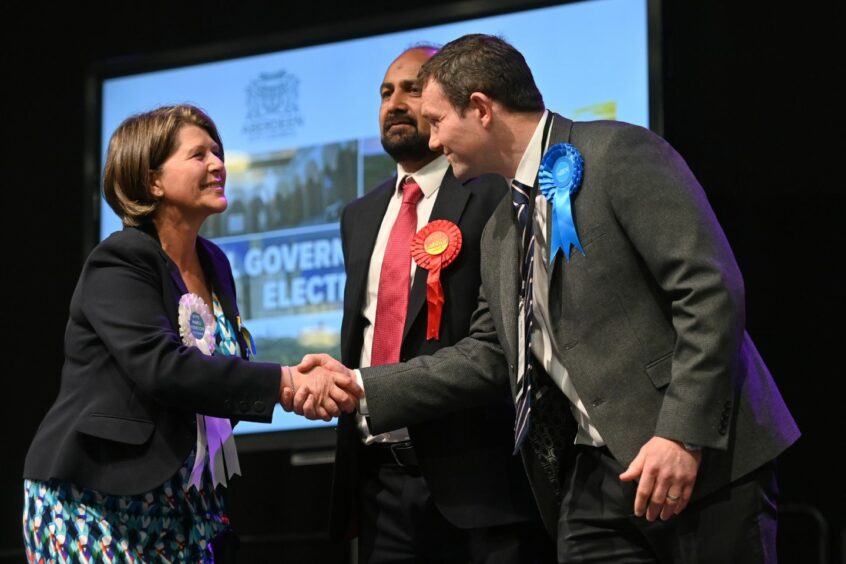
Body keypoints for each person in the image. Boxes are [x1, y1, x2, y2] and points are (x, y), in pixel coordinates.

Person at [294, 34, 800, 563]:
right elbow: (487, 354)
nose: (435, 140)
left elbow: (710, 292)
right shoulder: (498, 232)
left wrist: (680, 434)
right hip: (591, 482)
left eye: (439, 121)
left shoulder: (618, 152)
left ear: (481, 110)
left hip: (697, 462)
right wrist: (358, 383)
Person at [22, 104, 359, 563]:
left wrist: (299, 378)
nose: (218, 164)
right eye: (198, 155)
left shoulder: (215, 263)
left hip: (186, 506)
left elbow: (222, 375)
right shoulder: (120, 260)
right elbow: (162, 369)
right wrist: (284, 383)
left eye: (218, 152)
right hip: (98, 498)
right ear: (153, 180)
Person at [330, 45, 552, 563]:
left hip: (481, 481)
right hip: (382, 484)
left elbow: (499, 341)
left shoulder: (494, 190)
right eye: (386, 92)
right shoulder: (358, 216)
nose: (396, 103)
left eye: (412, 89)